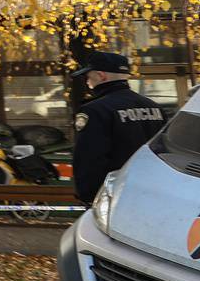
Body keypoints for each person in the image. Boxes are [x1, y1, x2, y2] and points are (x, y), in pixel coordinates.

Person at [70, 51, 167, 205]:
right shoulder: (154, 107)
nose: (87, 81)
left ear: (101, 76)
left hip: (113, 196)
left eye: (89, 76)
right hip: (152, 191)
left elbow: (90, 158)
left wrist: (88, 196)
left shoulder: (95, 110)